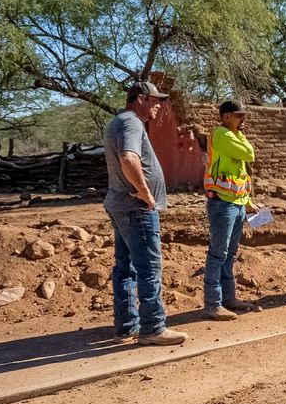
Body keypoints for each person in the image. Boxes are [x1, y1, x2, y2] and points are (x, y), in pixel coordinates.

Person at [102, 80, 188, 345]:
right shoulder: (131, 123)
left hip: (120, 204)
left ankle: (126, 327)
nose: (159, 105)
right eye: (155, 100)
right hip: (136, 207)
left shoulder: (118, 122)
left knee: (125, 267)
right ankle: (153, 328)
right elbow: (129, 158)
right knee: (149, 267)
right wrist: (145, 192)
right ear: (140, 99)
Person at [203, 100, 261, 320]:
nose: (241, 119)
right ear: (225, 117)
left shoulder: (234, 134)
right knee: (218, 254)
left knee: (229, 255)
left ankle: (228, 299)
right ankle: (212, 304)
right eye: (238, 116)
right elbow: (249, 154)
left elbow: (241, 175)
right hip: (221, 203)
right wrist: (240, 135)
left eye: (242, 116)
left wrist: (247, 202)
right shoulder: (221, 135)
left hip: (236, 203)